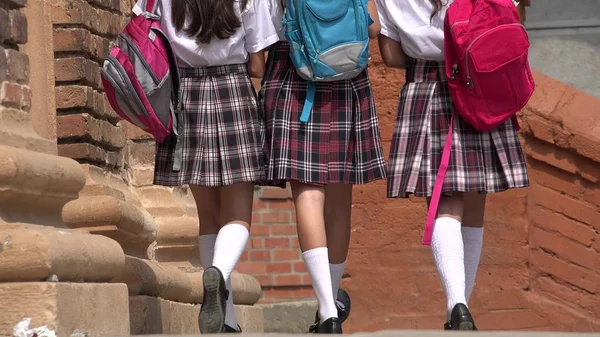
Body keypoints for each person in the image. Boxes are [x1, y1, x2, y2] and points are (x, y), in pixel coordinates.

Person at [376, 0, 530, 330]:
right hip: (481, 84)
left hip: (425, 87)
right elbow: (512, 25)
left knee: (445, 202)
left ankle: (456, 304)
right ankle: (458, 308)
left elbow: (390, 55)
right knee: (474, 204)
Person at [145, 0, 279, 332]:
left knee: (208, 217)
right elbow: (259, 66)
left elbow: (148, 33)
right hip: (233, 90)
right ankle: (217, 272)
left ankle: (226, 322)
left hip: (185, 96)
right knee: (238, 215)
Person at [261, 0, 387, 333]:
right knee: (340, 199)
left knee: (308, 196)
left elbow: (264, 29)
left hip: (292, 78)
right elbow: (373, 27)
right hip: (347, 80)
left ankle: (328, 310)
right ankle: (328, 303)